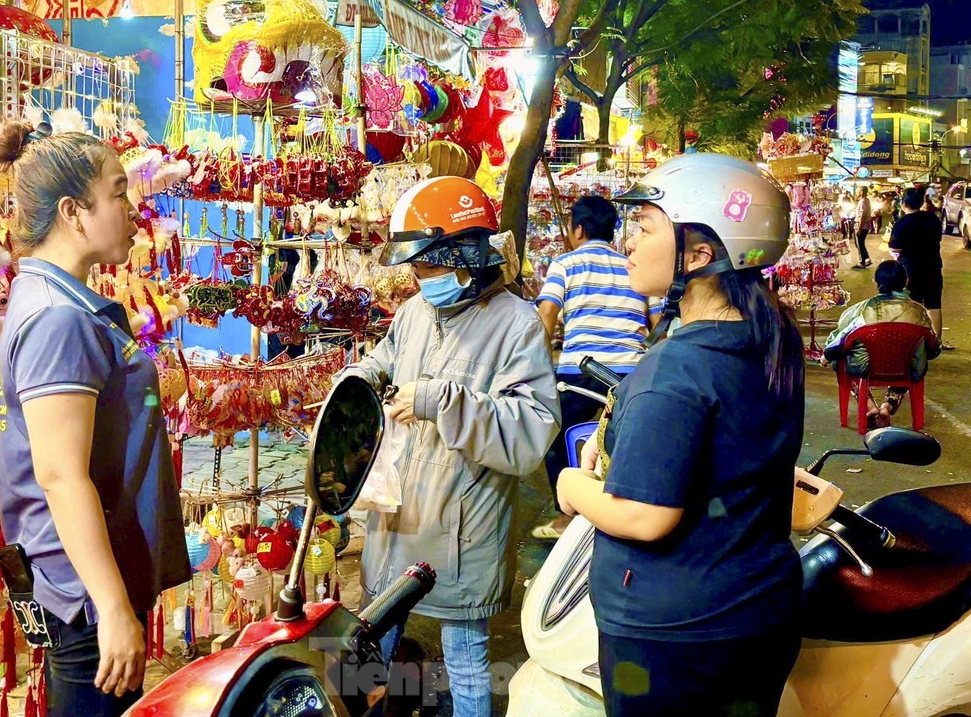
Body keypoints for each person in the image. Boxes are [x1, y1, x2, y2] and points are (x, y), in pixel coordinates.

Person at [556, 155, 804, 716]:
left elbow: (646, 515)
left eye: (643, 227)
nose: (628, 244)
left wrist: (572, 485)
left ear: (699, 254)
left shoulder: (677, 368)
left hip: (674, 635)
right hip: (758, 614)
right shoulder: (772, 336)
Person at [341, 176, 559, 717]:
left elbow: (531, 430)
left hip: (464, 531)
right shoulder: (417, 310)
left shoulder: (515, 322)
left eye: (429, 265)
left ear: (465, 256)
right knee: (370, 649)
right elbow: (386, 358)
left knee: (464, 659)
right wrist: (357, 382)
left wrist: (442, 401)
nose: (419, 277)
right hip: (397, 524)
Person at [0, 122, 188, 716]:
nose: (133, 208)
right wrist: (111, 608)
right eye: (120, 192)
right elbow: (60, 476)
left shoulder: (57, 301)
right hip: (79, 594)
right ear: (75, 212)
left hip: (75, 581)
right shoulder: (59, 319)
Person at [532, 195, 658, 541]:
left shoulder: (565, 264)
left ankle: (566, 517)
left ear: (579, 229)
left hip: (578, 372)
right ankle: (623, 506)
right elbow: (659, 322)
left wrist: (543, 370)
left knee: (554, 435)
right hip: (630, 375)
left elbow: (546, 317)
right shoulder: (634, 264)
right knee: (628, 441)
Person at [822, 260, 941, 426]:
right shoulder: (919, 311)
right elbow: (934, 348)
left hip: (867, 368)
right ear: (906, 282)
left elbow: (839, 341)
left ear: (876, 283)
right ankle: (887, 406)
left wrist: (827, 355)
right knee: (913, 360)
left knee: (840, 359)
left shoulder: (862, 310)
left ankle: (870, 406)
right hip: (905, 369)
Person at [889, 187, 953, 350]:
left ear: (903, 204)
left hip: (910, 270)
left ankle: (913, 341)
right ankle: (935, 343)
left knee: (913, 304)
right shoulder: (932, 218)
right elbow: (938, 238)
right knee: (934, 305)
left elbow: (895, 248)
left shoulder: (901, 223)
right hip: (932, 266)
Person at [852, 186, 873, 268]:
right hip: (863, 225)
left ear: (861, 192)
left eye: (858, 191)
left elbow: (862, 216)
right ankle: (866, 258)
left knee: (859, 244)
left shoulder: (863, 201)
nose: (856, 192)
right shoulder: (864, 201)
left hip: (862, 225)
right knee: (859, 244)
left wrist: (859, 228)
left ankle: (862, 262)